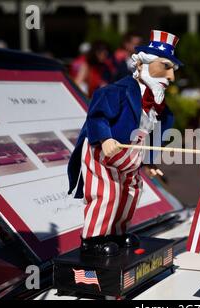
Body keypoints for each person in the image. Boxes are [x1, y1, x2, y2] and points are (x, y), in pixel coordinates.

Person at [67, 30, 182, 256]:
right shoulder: (115, 91)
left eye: (173, 70)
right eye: (165, 67)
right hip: (104, 154)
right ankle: (93, 239)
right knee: (107, 194)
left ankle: (117, 232)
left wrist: (149, 161)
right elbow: (97, 115)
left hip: (132, 156)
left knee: (131, 192)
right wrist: (105, 137)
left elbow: (154, 134)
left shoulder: (159, 106)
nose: (170, 77)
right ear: (141, 65)